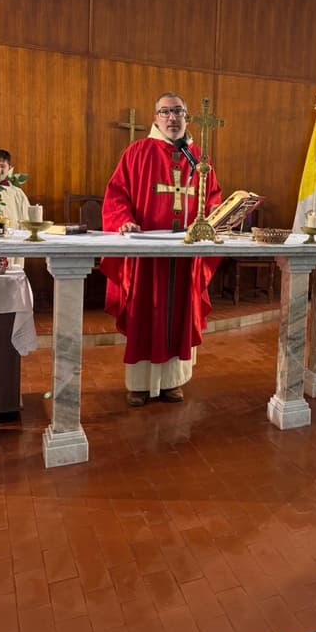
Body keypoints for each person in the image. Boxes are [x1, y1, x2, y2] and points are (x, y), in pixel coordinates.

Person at [101, 92, 222, 407]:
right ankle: (139, 385)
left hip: (185, 255)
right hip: (148, 254)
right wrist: (124, 221)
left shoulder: (199, 158)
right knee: (146, 311)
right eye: (165, 112)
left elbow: (213, 199)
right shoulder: (137, 152)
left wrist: (219, 217)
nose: (172, 118)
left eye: (178, 111)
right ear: (155, 117)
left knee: (180, 312)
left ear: (187, 116)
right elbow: (116, 195)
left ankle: (173, 382)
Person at [0, 148, 30, 229]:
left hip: (13, 237)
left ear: (9, 168)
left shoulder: (17, 193)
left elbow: (26, 218)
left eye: (2, 166)